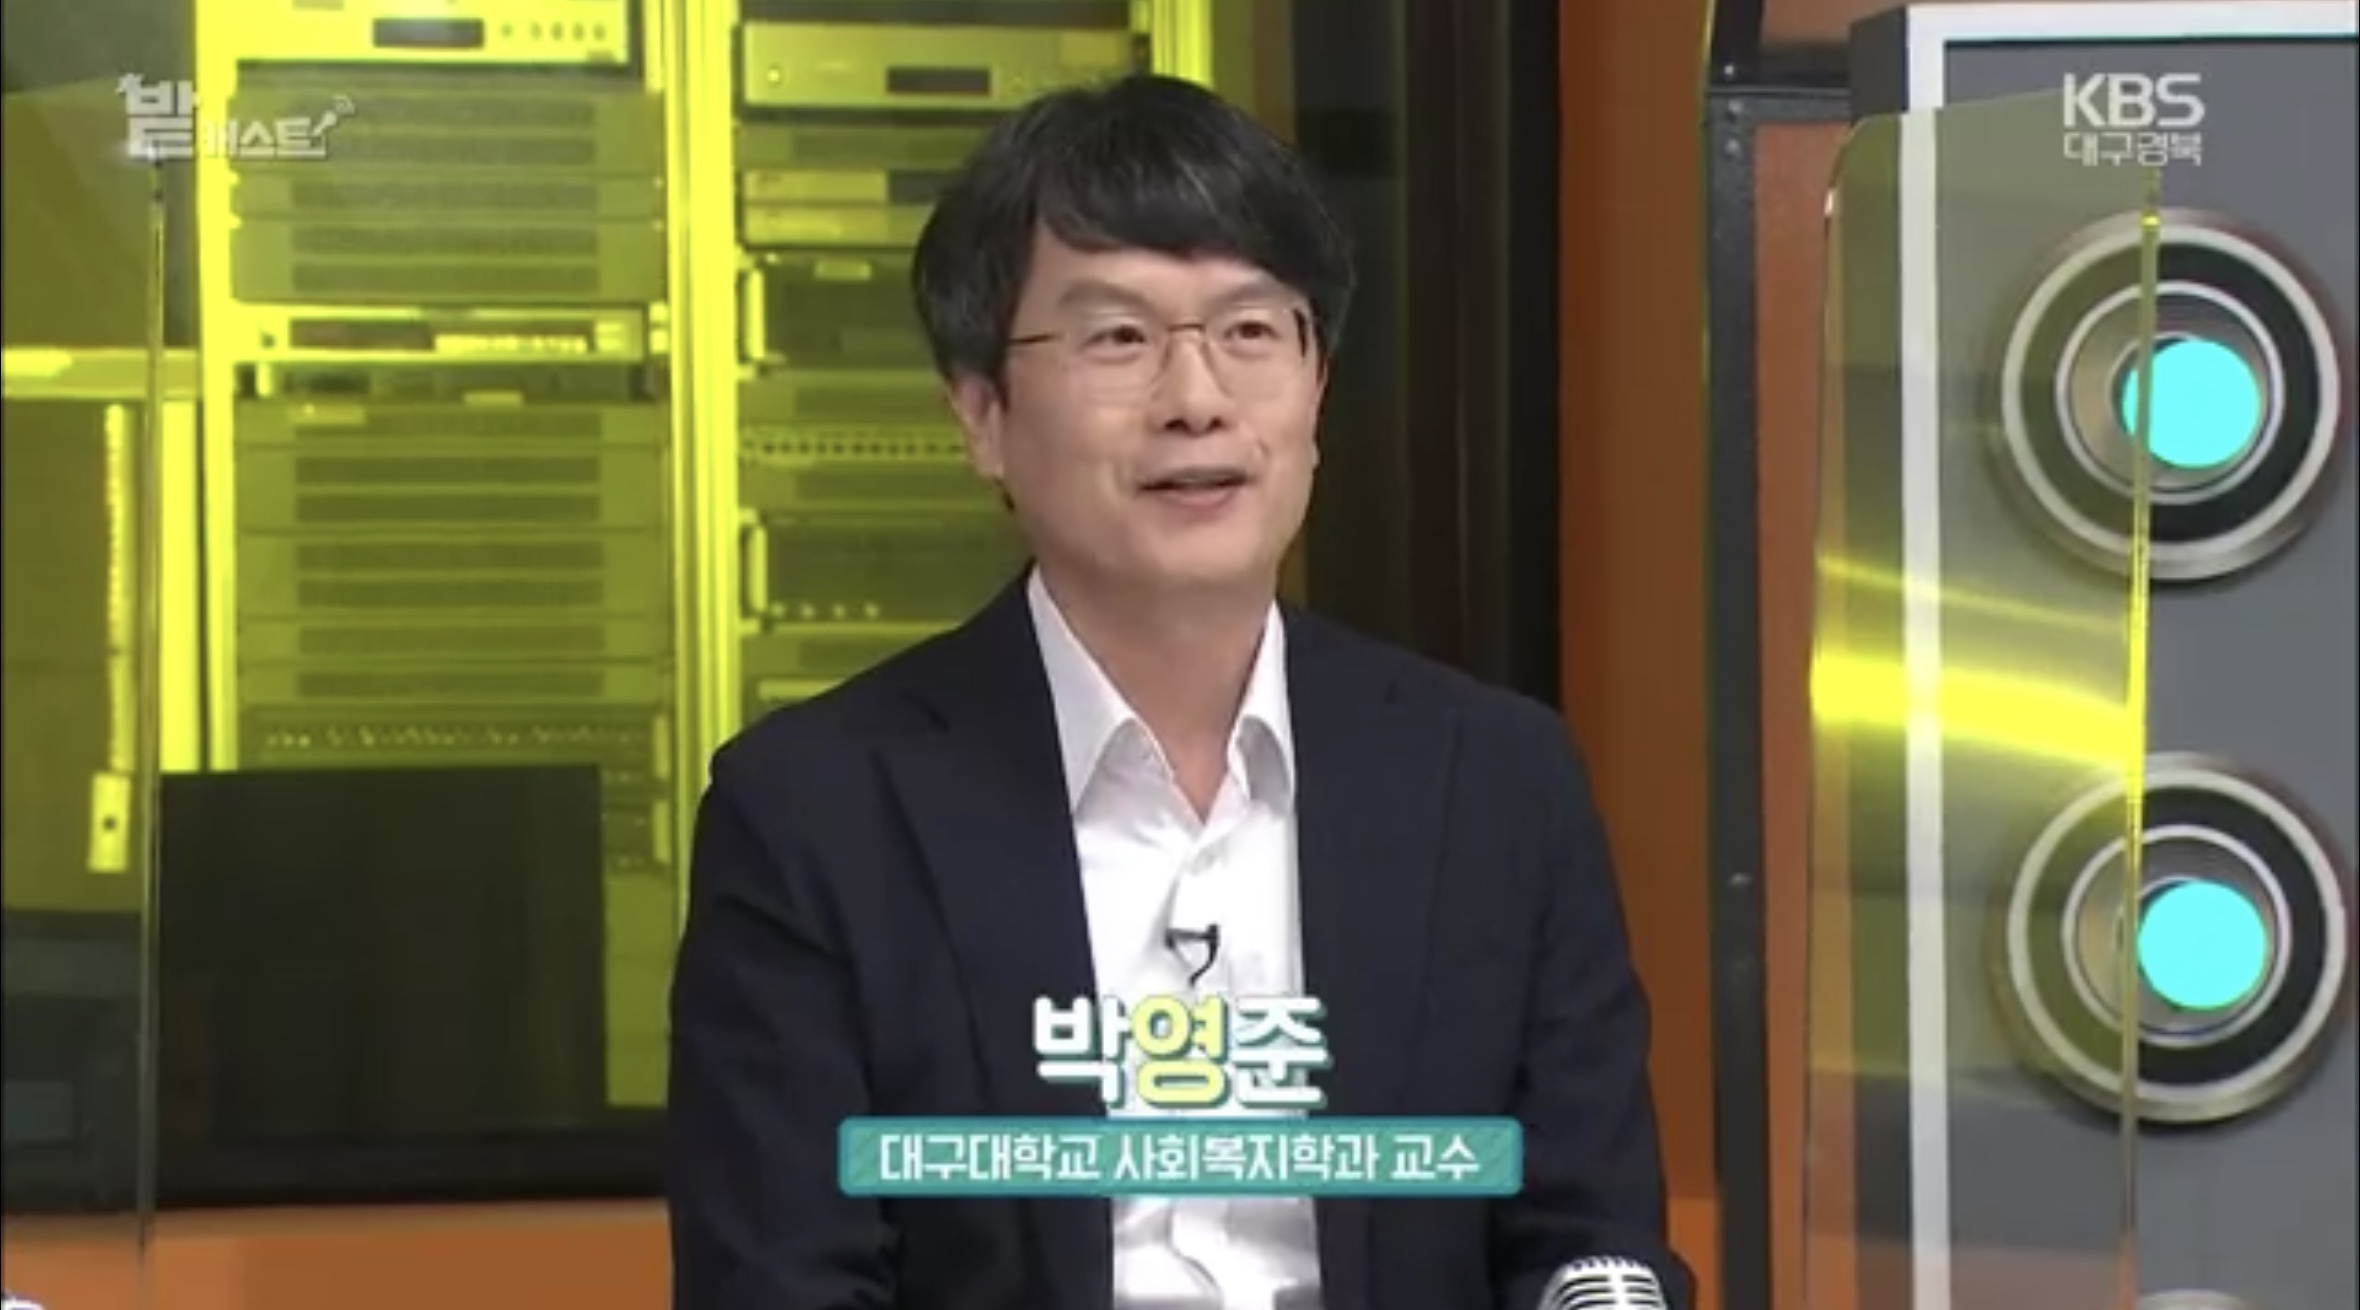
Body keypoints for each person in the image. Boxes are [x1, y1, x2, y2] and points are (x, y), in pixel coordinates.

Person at [666, 73, 1690, 1310]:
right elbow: (781, 1278)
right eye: (1118, 337)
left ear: (1315, 388)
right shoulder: (814, 814)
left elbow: (1589, 1239)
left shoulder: (1497, 784)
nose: (1196, 399)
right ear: (980, 414)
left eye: (1251, 331)